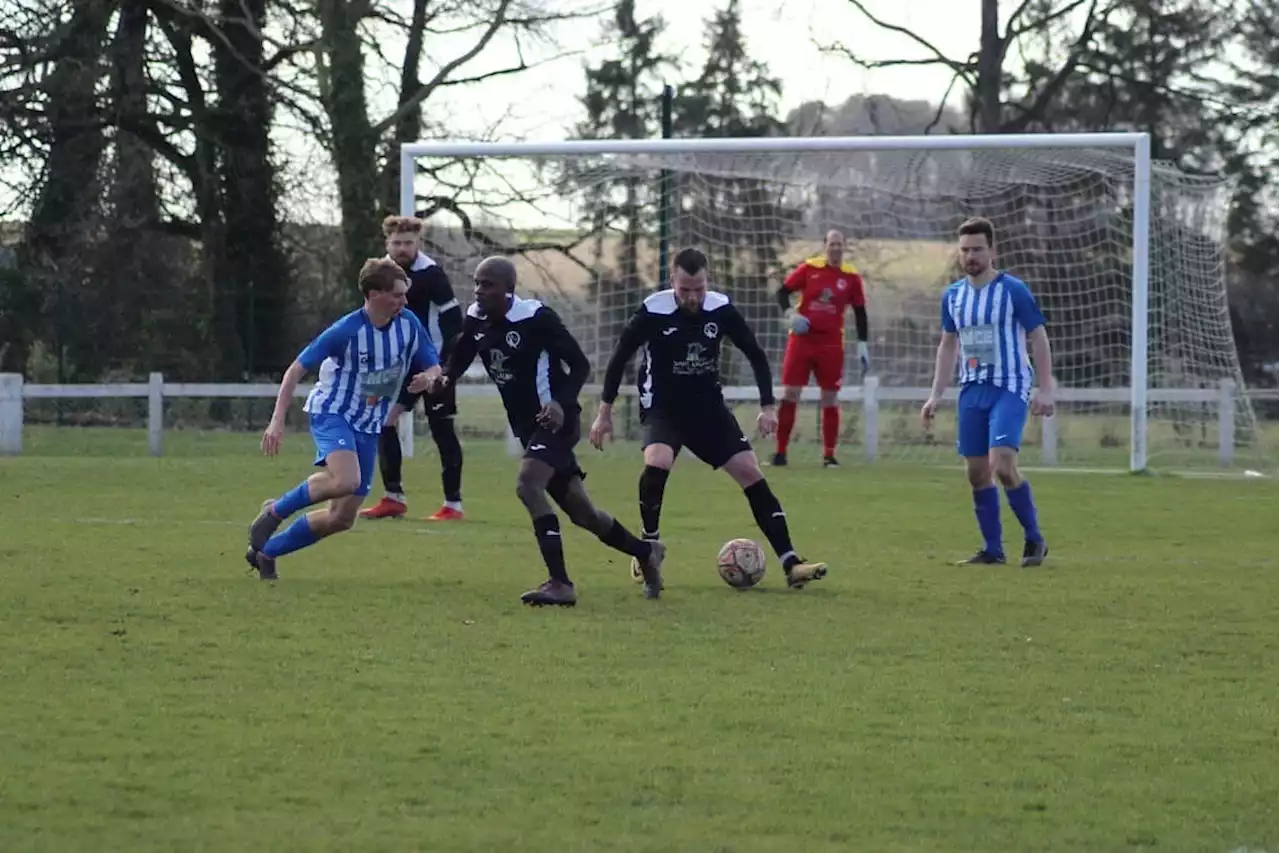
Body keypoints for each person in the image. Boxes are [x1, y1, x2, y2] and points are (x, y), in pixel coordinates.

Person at [588, 247, 828, 590]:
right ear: (673, 281)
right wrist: (604, 414)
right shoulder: (653, 310)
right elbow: (618, 358)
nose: (692, 296)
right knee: (657, 460)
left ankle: (791, 563)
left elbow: (756, 354)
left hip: (708, 410)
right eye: (685, 289)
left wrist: (767, 407)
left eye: (698, 288)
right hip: (663, 407)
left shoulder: (720, 308)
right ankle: (647, 547)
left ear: (707, 281)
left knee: (749, 470)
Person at [431, 255, 665, 606]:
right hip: (528, 427)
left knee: (528, 485)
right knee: (583, 513)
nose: (479, 291)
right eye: (477, 283)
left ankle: (560, 583)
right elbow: (461, 356)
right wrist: (445, 379)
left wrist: (558, 402)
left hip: (556, 420)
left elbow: (581, 366)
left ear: (509, 289)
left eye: (488, 284)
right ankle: (646, 551)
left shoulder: (536, 319)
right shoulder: (476, 318)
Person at [245, 258, 441, 580]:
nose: (404, 301)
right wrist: (277, 420)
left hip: (369, 423)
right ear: (374, 294)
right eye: (397, 295)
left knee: (342, 518)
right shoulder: (347, 330)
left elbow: (434, 364)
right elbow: (296, 369)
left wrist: (429, 378)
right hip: (332, 412)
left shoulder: (408, 324)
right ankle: (275, 511)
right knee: (345, 480)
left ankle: (268, 552)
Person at [920, 216, 1053, 567]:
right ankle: (993, 551)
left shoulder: (1013, 290)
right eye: (964, 250)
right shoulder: (953, 296)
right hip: (972, 390)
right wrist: (936, 394)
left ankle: (1034, 539)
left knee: (1003, 465)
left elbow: (1038, 336)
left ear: (992, 250)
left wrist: (1046, 389)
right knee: (977, 473)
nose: (970, 256)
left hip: (1009, 386)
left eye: (977, 249)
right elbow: (948, 345)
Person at [360, 215, 466, 521]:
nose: (403, 248)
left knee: (441, 429)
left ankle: (453, 504)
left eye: (408, 243)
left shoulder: (432, 274)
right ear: (387, 244)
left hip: (431, 364)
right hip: (394, 365)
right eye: (397, 243)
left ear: (418, 243)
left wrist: (445, 369)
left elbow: (454, 325)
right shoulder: (377, 273)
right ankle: (393, 497)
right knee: (383, 421)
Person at [772, 229, 870, 468]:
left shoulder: (851, 277)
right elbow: (782, 292)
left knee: (830, 397)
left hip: (831, 343)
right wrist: (790, 314)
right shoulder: (809, 269)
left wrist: (863, 344)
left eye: (840, 244)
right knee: (790, 393)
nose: (836, 248)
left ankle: (829, 455)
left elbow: (860, 312)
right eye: (832, 244)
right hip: (802, 340)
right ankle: (781, 452)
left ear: (844, 247)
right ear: (825, 246)